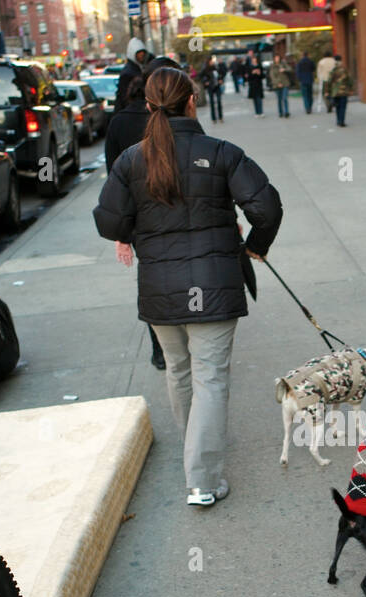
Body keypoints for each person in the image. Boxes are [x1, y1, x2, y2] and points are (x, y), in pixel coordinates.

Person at [94, 67, 283, 507]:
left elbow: (108, 221)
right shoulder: (221, 153)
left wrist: (136, 227)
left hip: (160, 288)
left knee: (180, 372)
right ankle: (201, 479)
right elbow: (267, 207)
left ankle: (195, 452)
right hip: (214, 287)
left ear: (147, 106)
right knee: (210, 379)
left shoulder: (130, 160)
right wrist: (255, 246)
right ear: (192, 101)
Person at [104, 56, 182, 370]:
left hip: (141, 220)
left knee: (153, 277)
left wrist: (122, 233)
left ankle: (162, 348)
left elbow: (114, 180)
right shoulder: (180, 119)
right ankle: (180, 338)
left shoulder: (120, 122)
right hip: (178, 211)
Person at [325, 55, 354, 127]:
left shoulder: (333, 70)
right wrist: (351, 89)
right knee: (343, 107)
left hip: (335, 92)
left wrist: (327, 91)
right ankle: (341, 121)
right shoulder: (344, 69)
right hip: (344, 92)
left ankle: (338, 121)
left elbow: (329, 82)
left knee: (337, 106)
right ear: (341, 60)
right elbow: (350, 80)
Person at [201, 55, 226, 123]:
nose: (212, 61)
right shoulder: (205, 69)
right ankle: (213, 119)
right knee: (212, 103)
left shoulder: (216, 67)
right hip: (210, 87)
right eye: (211, 60)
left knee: (219, 101)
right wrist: (206, 82)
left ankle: (220, 117)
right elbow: (201, 76)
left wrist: (221, 79)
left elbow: (220, 74)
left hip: (217, 86)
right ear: (209, 61)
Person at [269, 53, 294, 118]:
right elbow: (272, 76)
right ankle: (280, 112)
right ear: (274, 59)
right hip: (277, 85)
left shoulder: (283, 64)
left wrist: (284, 69)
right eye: (276, 58)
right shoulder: (272, 66)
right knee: (279, 99)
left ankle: (286, 112)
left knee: (285, 98)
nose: (277, 59)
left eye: (278, 57)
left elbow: (290, 69)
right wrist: (278, 83)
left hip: (285, 83)